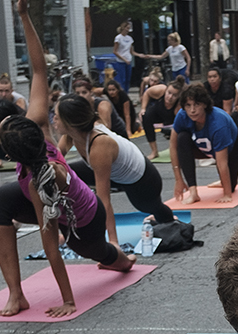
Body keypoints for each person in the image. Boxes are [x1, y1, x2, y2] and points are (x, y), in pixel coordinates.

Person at [0, 0, 136, 317]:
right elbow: (38, 68)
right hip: (51, 202)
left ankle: (121, 260)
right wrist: (23, 16)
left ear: (12, 156)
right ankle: (16, 293)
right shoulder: (36, 126)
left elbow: (52, 248)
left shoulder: (41, 183)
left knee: (101, 254)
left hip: (83, 218)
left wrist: (68, 301)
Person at [57, 91, 173, 247]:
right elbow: (55, 160)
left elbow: (104, 201)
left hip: (142, 179)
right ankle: (69, 229)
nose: (53, 120)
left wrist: (113, 242)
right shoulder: (71, 134)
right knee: (61, 175)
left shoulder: (99, 145)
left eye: (57, 117)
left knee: (150, 208)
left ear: (70, 123)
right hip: (114, 173)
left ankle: (170, 220)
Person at [172, 81, 238, 206]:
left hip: (233, 150)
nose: (192, 110)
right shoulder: (182, 116)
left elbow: (222, 162)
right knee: (182, 138)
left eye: (196, 105)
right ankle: (193, 192)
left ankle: (224, 184)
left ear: (204, 105)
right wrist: (178, 179)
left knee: (231, 185)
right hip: (203, 147)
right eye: (188, 105)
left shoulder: (218, 123)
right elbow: (173, 147)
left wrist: (227, 194)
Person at [139, 79, 183, 160]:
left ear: (178, 96)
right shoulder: (160, 90)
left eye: (174, 95)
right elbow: (147, 93)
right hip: (158, 113)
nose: (170, 97)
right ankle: (154, 151)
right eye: (169, 93)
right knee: (145, 116)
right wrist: (143, 108)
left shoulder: (180, 105)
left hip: (171, 118)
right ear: (166, 90)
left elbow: (181, 125)